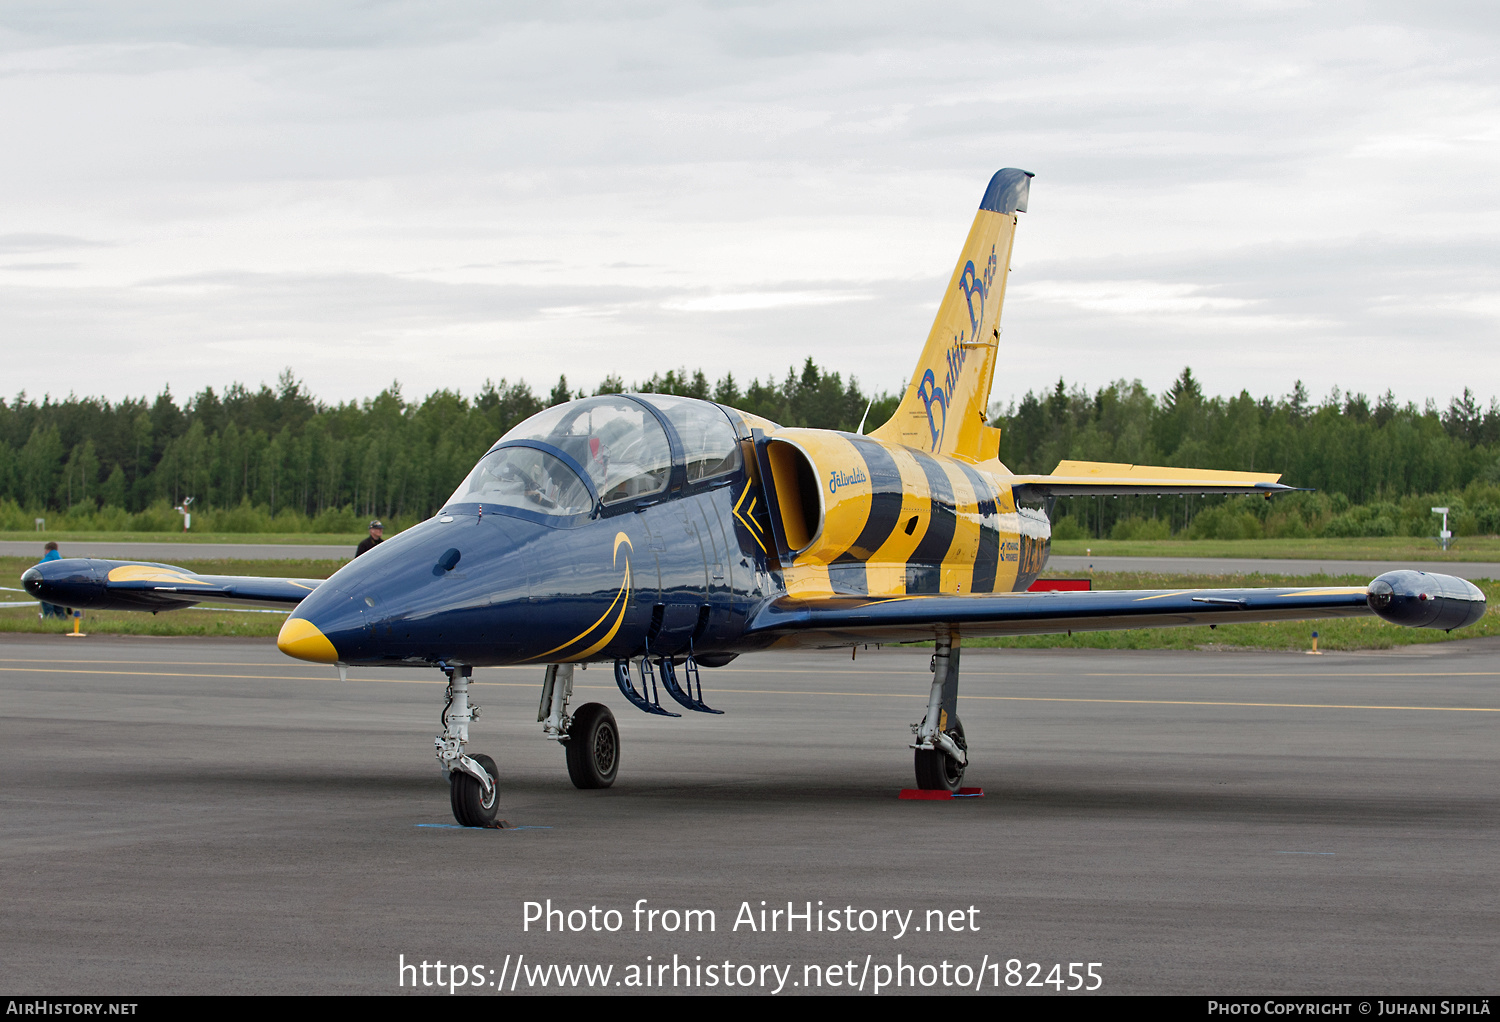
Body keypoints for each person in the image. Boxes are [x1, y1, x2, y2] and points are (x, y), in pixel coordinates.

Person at [37, 542, 65, 619]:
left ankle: (48, 625)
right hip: (60, 590)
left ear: (47, 550)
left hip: (47, 590)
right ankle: (64, 626)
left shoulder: (43, 563)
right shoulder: (63, 562)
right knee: (60, 612)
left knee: (48, 612)